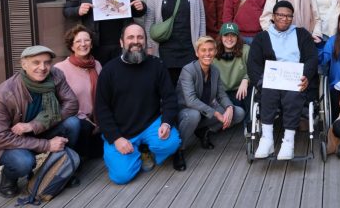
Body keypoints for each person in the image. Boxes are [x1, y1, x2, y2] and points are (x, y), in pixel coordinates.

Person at [0, 45, 80, 198]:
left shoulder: (56, 75)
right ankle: (8, 178)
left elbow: (72, 104)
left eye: (47, 62)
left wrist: (34, 125)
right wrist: (47, 145)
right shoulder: (5, 92)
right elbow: (1, 136)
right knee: (23, 162)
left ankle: (60, 168)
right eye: (36, 62)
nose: (42, 67)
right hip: (15, 141)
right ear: (24, 65)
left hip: (41, 130)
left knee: (73, 123)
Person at [95, 24, 181, 184]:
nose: (136, 41)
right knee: (121, 176)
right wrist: (116, 138)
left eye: (140, 37)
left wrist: (166, 123)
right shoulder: (108, 71)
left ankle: (145, 148)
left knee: (171, 143)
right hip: (121, 130)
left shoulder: (156, 65)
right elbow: (101, 110)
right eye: (130, 37)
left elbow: (169, 97)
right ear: (121, 42)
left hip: (150, 124)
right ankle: (138, 153)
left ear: (145, 41)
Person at [248, 1, 318, 160]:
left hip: (295, 79)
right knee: (268, 89)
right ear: (273, 17)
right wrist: (261, 81)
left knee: (293, 93)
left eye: (288, 16)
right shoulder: (262, 37)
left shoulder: (302, 34)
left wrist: (306, 76)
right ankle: (267, 139)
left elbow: (312, 58)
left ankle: (288, 141)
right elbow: (253, 64)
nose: (284, 19)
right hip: (272, 80)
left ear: (292, 18)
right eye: (280, 15)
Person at [176, 36, 246, 170]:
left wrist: (229, 107)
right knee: (194, 115)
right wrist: (216, 113)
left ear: (215, 51)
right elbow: (190, 100)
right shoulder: (188, 70)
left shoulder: (215, 71)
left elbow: (221, 94)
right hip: (185, 113)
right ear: (197, 53)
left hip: (204, 111)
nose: (207, 53)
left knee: (238, 113)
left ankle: (204, 131)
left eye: (210, 50)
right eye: (203, 50)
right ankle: (179, 149)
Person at [145, 0, 206, 85]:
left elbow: (201, 18)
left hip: (189, 48)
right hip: (165, 49)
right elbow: (149, 20)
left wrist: (201, 44)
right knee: (168, 87)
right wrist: (149, 46)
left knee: (189, 87)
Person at [54, 25, 103, 159]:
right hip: (75, 119)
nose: (83, 44)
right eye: (78, 41)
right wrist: (82, 117)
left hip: (95, 118)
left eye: (86, 40)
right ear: (71, 45)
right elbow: (58, 102)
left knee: (99, 155)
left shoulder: (97, 65)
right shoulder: (60, 69)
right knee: (83, 131)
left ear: (91, 44)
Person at [212, 23, 250, 112]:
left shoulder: (246, 50)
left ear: (237, 37)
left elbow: (254, 69)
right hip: (220, 93)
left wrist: (246, 79)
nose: (229, 39)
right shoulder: (213, 51)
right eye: (226, 35)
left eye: (233, 35)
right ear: (221, 37)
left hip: (240, 91)